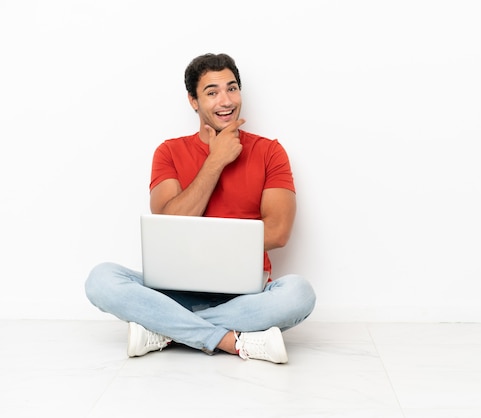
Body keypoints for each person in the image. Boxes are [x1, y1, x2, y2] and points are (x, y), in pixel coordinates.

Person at [85, 53, 316, 364]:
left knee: (299, 293)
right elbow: (168, 223)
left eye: (232, 88)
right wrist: (216, 160)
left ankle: (166, 330)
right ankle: (229, 340)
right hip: (175, 289)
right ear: (193, 101)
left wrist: (204, 243)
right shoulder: (169, 152)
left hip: (246, 294)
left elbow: (278, 231)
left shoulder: (269, 151)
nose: (226, 100)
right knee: (101, 279)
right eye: (212, 92)